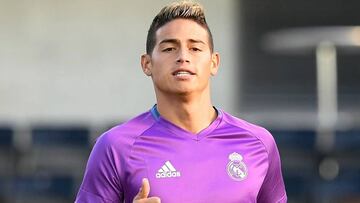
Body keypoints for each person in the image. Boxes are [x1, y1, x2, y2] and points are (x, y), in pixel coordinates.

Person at [75, 1, 287, 202]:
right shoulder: (115, 147)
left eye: (195, 48)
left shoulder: (259, 143)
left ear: (214, 63)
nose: (183, 56)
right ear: (147, 64)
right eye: (169, 48)